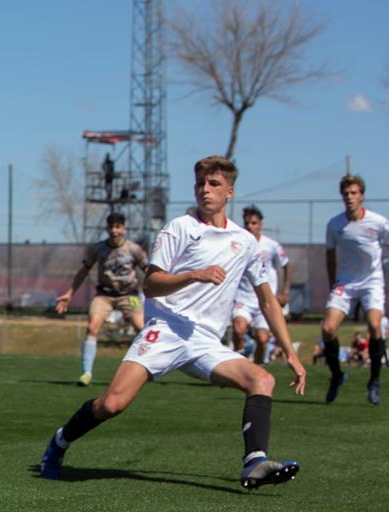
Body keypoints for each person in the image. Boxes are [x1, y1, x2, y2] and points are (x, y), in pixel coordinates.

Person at [38, 155, 306, 490]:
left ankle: (254, 462)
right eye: (199, 184)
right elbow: (151, 284)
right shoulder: (179, 228)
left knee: (262, 379)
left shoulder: (246, 243)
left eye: (213, 184)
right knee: (112, 403)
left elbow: (267, 300)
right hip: (164, 329)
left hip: (206, 340)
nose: (204, 190)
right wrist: (194, 275)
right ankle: (59, 443)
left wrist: (290, 352)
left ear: (230, 192)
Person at [55, 212, 147, 386]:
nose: (114, 231)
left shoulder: (134, 249)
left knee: (142, 330)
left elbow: (149, 271)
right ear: (107, 228)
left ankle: (144, 371)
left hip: (129, 295)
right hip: (104, 295)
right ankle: (86, 373)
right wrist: (69, 293)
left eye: (118, 227)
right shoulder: (97, 249)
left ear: (124, 228)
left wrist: (161, 293)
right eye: (111, 227)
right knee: (92, 328)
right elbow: (84, 270)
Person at [320, 174, 389, 405]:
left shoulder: (378, 222)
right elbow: (329, 255)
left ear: (362, 195)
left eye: (354, 193)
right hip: (345, 283)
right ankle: (337, 375)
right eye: (346, 193)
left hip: (372, 282)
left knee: (375, 325)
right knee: (328, 329)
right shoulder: (334, 224)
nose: (350, 197)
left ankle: (374, 381)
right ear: (342, 196)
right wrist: (333, 284)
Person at [230, 206, 292, 365]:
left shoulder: (271, 246)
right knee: (238, 329)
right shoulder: (238, 245)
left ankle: (257, 369)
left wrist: (285, 291)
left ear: (260, 224)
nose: (250, 226)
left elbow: (287, 266)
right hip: (243, 298)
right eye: (247, 223)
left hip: (264, 300)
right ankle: (239, 362)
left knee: (262, 339)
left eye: (254, 223)